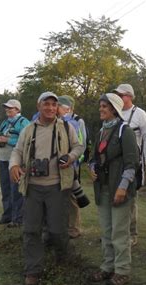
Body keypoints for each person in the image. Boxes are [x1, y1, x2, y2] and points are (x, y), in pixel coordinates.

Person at [9, 92, 84, 285]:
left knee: (58, 230)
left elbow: (79, 146)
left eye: (53, 104)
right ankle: (33, 270)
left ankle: (63, 260)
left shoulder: (66, 127)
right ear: (38, 106)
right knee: (31, 230)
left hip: (57, 187)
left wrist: (70, 157)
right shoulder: (28, 129)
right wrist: (14, 166)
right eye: (46, 104)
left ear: (57, 107)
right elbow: (17, 151)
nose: (50, 108)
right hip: (33, 187)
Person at [88, 93, 139, 285]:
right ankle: (107, 266)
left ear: (114, 109)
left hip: (119, 189)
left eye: (105, 106)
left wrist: (123, 188)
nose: (101, 109)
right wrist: (92, 169)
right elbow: (94, 158)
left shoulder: (124, 131)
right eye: (101, 105)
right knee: (107, 231)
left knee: (119, 232)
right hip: (103, 188)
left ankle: (123, 270)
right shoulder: (101, 131)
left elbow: (131, 162)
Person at [113, 83, 146, 247]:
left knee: (131, 199)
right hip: (116, 162)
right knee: (114, 195)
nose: (119, 98)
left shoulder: (140, 114)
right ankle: (115, 232)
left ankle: (132, 234)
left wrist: (145, 159)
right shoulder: (115, 112)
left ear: (129, 96)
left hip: (133, 162)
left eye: (121, 95)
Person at [57, 95, 90, 238]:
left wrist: (74, 160)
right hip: (57, 165)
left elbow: (81, 144)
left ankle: (74, 229)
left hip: (71, 164)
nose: (56, 108)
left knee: (71, 196)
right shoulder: (56, 120)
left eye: (59, 105)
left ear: (68, 108)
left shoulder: (78, 121)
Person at [0, 99, 30, 227]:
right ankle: (7, 216)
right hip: (3, 160)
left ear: (18, 109)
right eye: (6, 108)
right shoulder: (4, 122)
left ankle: (18, 219)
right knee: (5, 189)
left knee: (16, 191)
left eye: (11, 108)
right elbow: (2, 136)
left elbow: (27, 142)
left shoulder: (24, 122)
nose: (7, 110)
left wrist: (8, 140)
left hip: (15, 162)